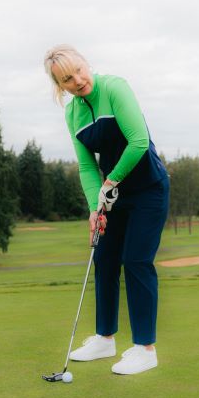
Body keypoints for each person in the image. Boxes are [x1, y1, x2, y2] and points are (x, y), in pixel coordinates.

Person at [43, 44, 169, 375]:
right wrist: (93, 207)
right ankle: (105, 338)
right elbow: (86, 167)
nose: (78, 80)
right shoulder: (72, 114)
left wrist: (110, 182)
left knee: (137, 260)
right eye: (67, 79)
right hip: (112, 195)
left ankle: (145, 348)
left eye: (79, 70)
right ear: (60, 86)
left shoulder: (114, 87)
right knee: (105, 259)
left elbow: (139, 142)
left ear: (87, 64)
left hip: (147, 189)